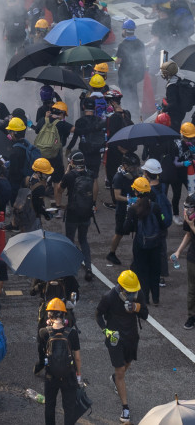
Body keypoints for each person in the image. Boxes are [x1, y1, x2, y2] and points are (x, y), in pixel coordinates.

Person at [96, 270, 149, 425]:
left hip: (132, 337)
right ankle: (125, 409)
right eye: (130, 291)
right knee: (120, 372)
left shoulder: (138, 295)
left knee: (126, 365)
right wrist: (105, 331)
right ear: (120, 287)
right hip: (115, 339)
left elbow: (145, 314)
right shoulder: (109, 297)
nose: (133, 294)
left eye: (134, 291)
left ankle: (115, 379)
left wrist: (136, 307)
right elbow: (98, 314)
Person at [123, 178, 168, 305]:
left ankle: (145, 299)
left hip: (140, 244)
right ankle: (156, 299)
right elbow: (163, 225)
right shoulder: (155, 207)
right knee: (155, 270)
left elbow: (125, 229)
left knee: (142, 272)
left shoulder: (133, 209)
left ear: (136, 192)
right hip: (155, 244)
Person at [37, 298, 82, 425]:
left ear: (49, 315)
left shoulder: (43, 332)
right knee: (69, 408)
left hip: (51, 375)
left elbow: (42, 353)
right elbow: (77, 357)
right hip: (69, 375)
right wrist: (79, 376)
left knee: (50, 405)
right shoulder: (72, 333)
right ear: (63, 315)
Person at [58, 152, 96, 281]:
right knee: (83, 240)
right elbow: (94, 190)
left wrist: (66, 171)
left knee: (70, 240)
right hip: (86, 212)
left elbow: (59, 189)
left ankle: (70, 270)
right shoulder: (90, 173)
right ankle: (89, 268)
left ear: (72, 162)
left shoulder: (69, 176)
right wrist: (93, 204)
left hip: (73, 213)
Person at [107, 153, 141, 265]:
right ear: (125, 165)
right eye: (132, 167)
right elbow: (117, 196)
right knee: (119, 232)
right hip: (122, 209)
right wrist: (130, 199)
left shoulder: (134, 175)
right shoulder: (118, 177)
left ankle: (138, 255)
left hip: (134, 208)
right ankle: (111, 253)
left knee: (138, 231)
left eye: (136, 167)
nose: (134, 169)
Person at [173, 194, 195, 329]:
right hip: (193, 256)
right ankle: (191, 316)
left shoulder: (191, 220)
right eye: (186, 207)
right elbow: (188, 235)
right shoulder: (189, 217)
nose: (187, 211)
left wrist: (192, 225)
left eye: (190, 208)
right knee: (192, 289)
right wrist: (178, 251)